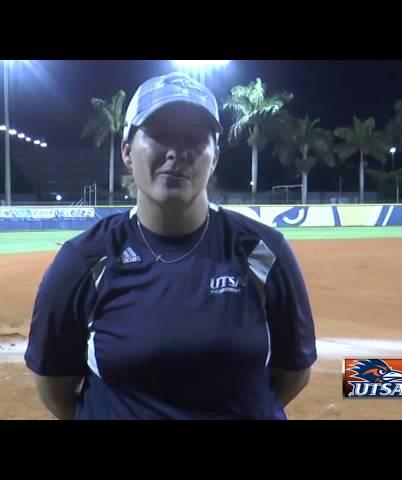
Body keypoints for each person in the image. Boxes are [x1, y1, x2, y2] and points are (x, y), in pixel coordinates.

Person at [24, 72, 317, 420]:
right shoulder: (83, 261)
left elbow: (294, 373)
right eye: (159, 135)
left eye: (195, 139)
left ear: (215, 158)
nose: (177, 152)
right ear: (128, 151)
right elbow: (54, 389)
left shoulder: (264, 252)